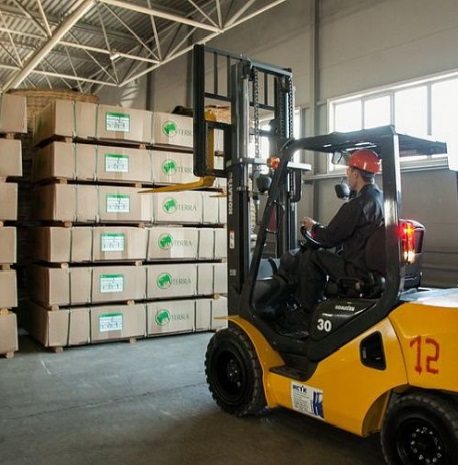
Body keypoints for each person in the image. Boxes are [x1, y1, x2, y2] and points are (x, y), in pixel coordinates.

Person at [255, 149, 384, 331]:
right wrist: (319, 229)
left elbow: (329, 238)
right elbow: (341, 233)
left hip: (356, 267)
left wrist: (313, 227)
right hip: (369, 266)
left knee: (312, 255)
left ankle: (306, 313)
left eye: (348, 171)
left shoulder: (358, 205)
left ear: (356, 173)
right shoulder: (381, 199)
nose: (347, 175)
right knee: (323, 253)